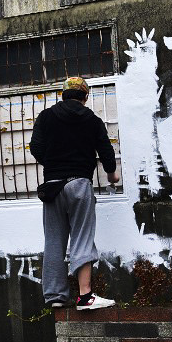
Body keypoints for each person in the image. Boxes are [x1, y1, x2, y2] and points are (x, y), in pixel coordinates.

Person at [29, 77, 119, 311]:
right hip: (79, 183)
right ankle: (85, 297)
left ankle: (56, 296)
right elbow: (106, 151)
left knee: (54, 240)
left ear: (63, 94)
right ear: (85, 97)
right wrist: (111, 174)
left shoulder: (46, 117)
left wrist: (52, 164)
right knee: (82, 237)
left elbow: (35, 147)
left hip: (52, 186)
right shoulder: (92, 119)